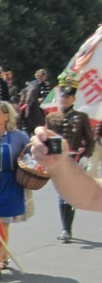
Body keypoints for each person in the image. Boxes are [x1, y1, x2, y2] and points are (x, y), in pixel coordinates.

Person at [0, 100, 30, 271]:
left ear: (6, 116)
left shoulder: (19, 137)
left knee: (2, 223)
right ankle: (1, 255)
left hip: (9, 184)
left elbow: (30, 157)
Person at [49, 71, 94, 242]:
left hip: (72, 160)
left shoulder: (81, 117)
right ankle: (66, 228)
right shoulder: (52, 117)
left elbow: (89, 141)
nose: (65, 98)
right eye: (63, 95)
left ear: (73, 99)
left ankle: (66, 229)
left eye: (68, 96)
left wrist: (85, 156)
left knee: (66, 194)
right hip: (55, 161)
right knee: (62, 193)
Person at [20, 68, 50, 134]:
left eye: (43, 76)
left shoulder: (46, 84)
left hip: (44, 103)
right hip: (33, 101)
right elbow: (29, 93)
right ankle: (23, 123)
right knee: (23, 110)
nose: (42, 77)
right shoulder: (33, 84)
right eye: (40, 76)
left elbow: (47, 94)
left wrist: (44, 98)